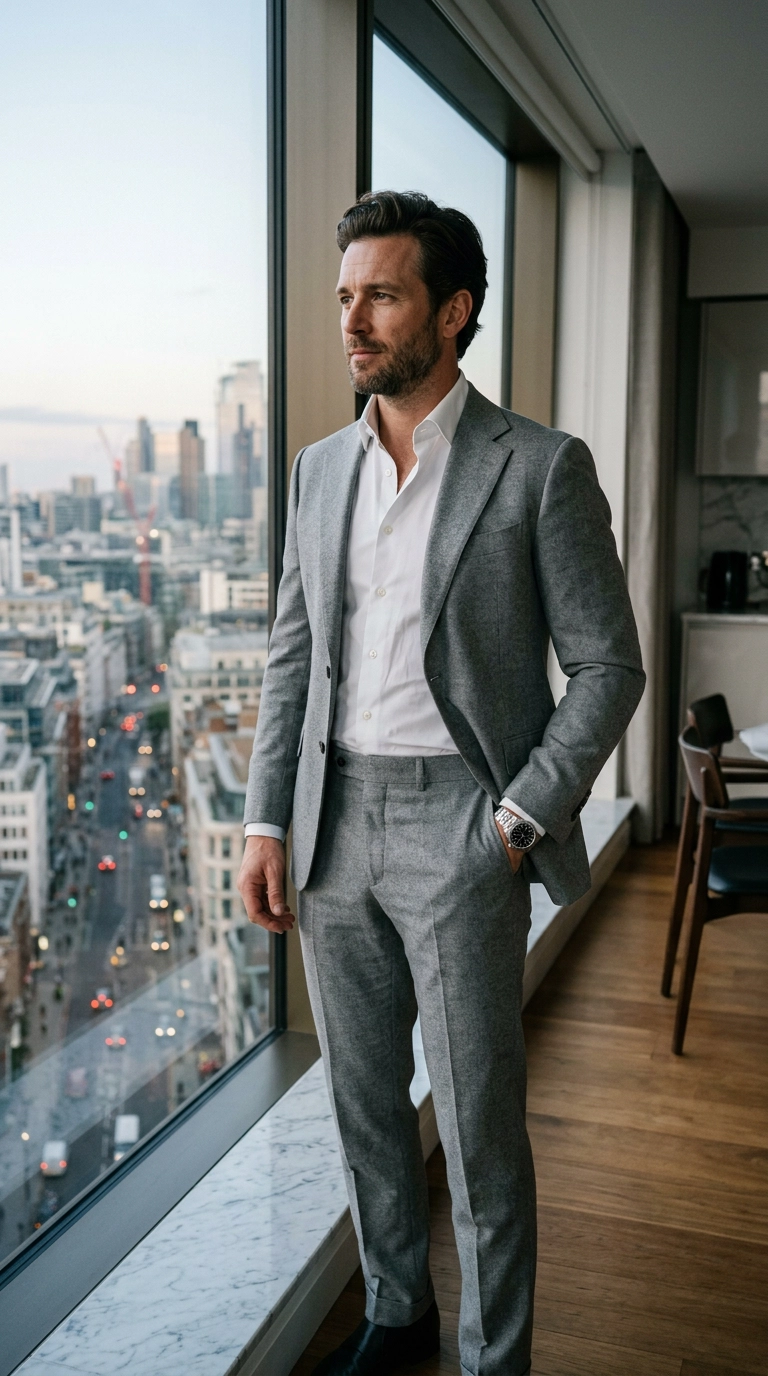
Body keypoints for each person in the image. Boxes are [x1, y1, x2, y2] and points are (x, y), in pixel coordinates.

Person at [238, 190, 644, 1376]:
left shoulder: (540, 466)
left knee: (476, 1129)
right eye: (344, 295)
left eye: (382, 294)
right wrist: (267, 819)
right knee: (364, 1105)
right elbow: (290, 658)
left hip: (463, 828)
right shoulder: (322, 470)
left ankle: (493, 1357)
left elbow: (609, 666)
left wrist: (515, 817)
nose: (353, 320)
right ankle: (396, 1307)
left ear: (453, 312)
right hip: (330, 830)